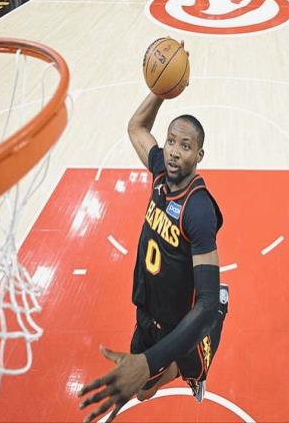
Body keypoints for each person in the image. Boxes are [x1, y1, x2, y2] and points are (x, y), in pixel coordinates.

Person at [78, 45, 228, 422]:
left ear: (199, 156)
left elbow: (205, 302)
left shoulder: (198, 209)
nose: (174, 151)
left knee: (150, 386)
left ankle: (194, 367)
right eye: (171, 141)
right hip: (147, 309)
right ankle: (173, 365)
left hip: (179, 321)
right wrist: (160, 90)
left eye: (185, 146)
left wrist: (148, 362)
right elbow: (136, 128)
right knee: (143, 393)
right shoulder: (161, 171)